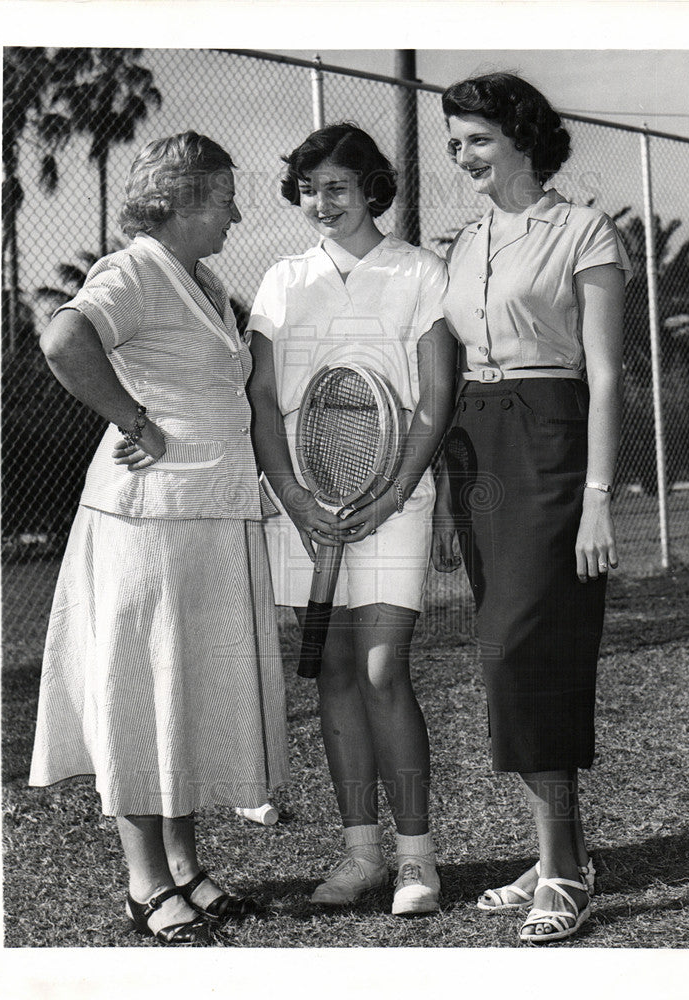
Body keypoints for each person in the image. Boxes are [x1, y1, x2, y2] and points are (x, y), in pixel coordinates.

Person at [28, 132, 290, 945]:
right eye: (222, 199)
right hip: (146, 517)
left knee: (183, 692)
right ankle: (145, 885)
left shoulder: (201, 279)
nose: (237, 214)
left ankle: (184, 865)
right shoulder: (135, 268)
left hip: (205, 513)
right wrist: (132, 417)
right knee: (142, 691)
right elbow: (64, 340)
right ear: (178, 202)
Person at [432, 74, 631, 944]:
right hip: (475, 445)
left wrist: (597, 499)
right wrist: (445, 488)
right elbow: (447, 366)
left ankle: (563, 869)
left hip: (549, 436)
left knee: (524, 648)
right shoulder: (462, 241)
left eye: (474, 138)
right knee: (501, 650)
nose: (461, 156)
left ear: (518, 136)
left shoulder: (584, 231)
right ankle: (561, 854)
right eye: (452, 144)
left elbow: (605, 373)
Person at [247, 124, 456, 915]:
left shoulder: (418, 270)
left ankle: (416, 863)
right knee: (333, 672)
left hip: (393, 499)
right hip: (304, 503)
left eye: (336, 186)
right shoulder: (281, 280)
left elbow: (436, 395)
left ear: (372, 186)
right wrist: (297, 500)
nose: (320, 202)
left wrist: (396, 489)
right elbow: (263, 400)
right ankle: (360, 855)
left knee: (379, 670)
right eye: (308, 189)